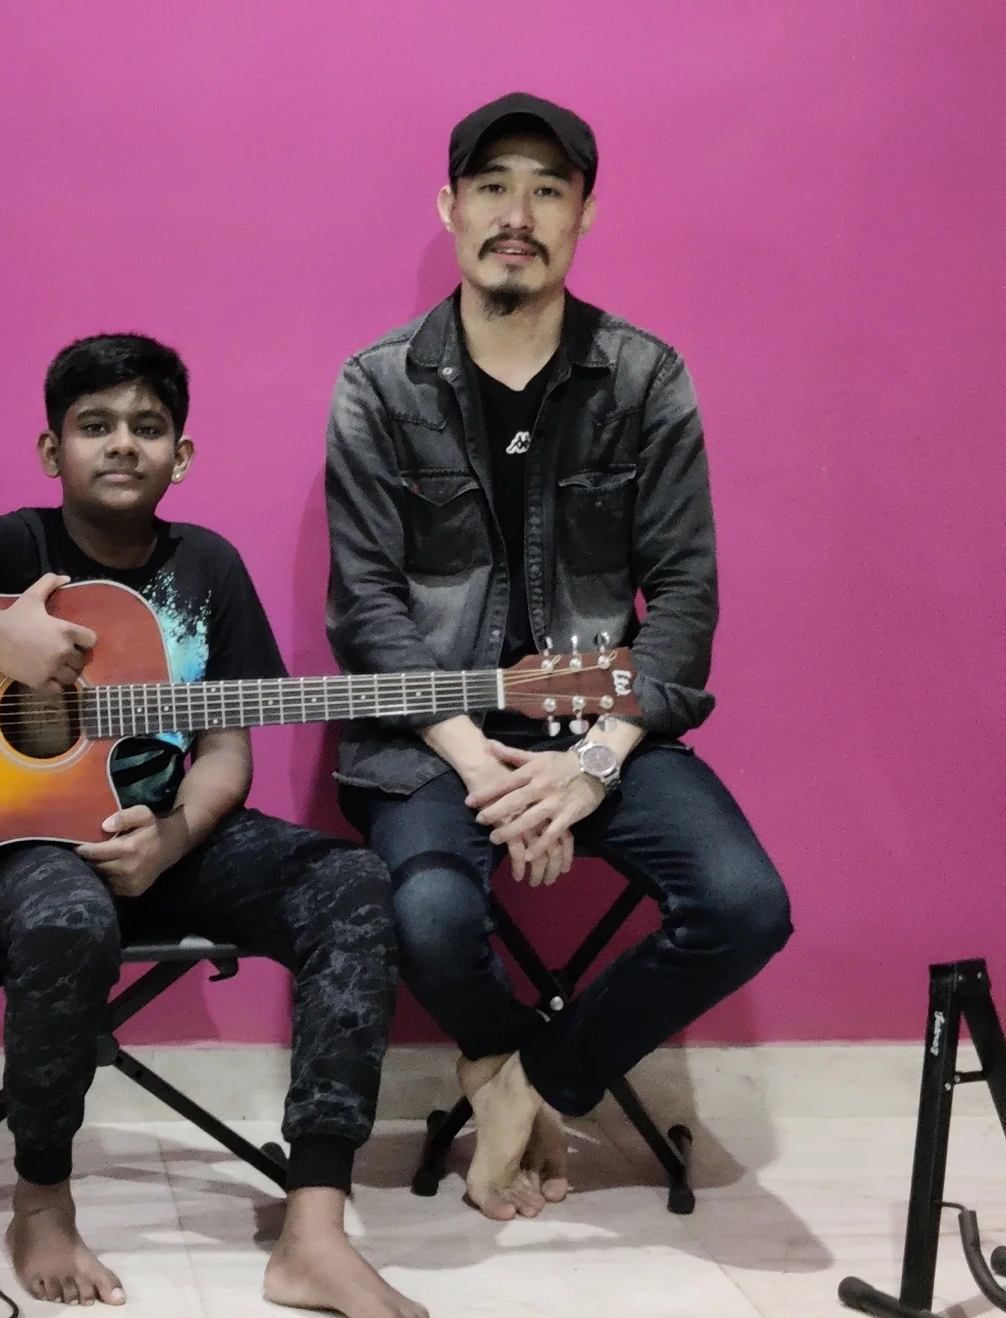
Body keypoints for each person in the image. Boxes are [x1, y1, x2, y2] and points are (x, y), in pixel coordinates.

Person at [0, 334, 429, 1318]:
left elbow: (227, 747)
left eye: (147, 426)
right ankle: (41, 1202)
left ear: (183, 454)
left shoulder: (208, 567)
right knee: (70, 917)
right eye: (95, 426)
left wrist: (175, 836)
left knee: (350, 881)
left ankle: (313, 1228)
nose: (122, 443)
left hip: (161, 834)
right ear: (53, 451)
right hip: (13, 847)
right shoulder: (12, 549)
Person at [325, 93, 792, 1223]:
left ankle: (531, 1084)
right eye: (492, 186)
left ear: (584, 213)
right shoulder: (378, 384)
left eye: (547, 189)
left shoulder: (645, 378)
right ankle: (496, 1062)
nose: (517, 214)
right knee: (427, 917)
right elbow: (367, 608)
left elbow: (684, 595)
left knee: (746, 906)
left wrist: (589, 765)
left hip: (604, 727)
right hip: (432, 740)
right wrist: (480, 767)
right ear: (449, 207)